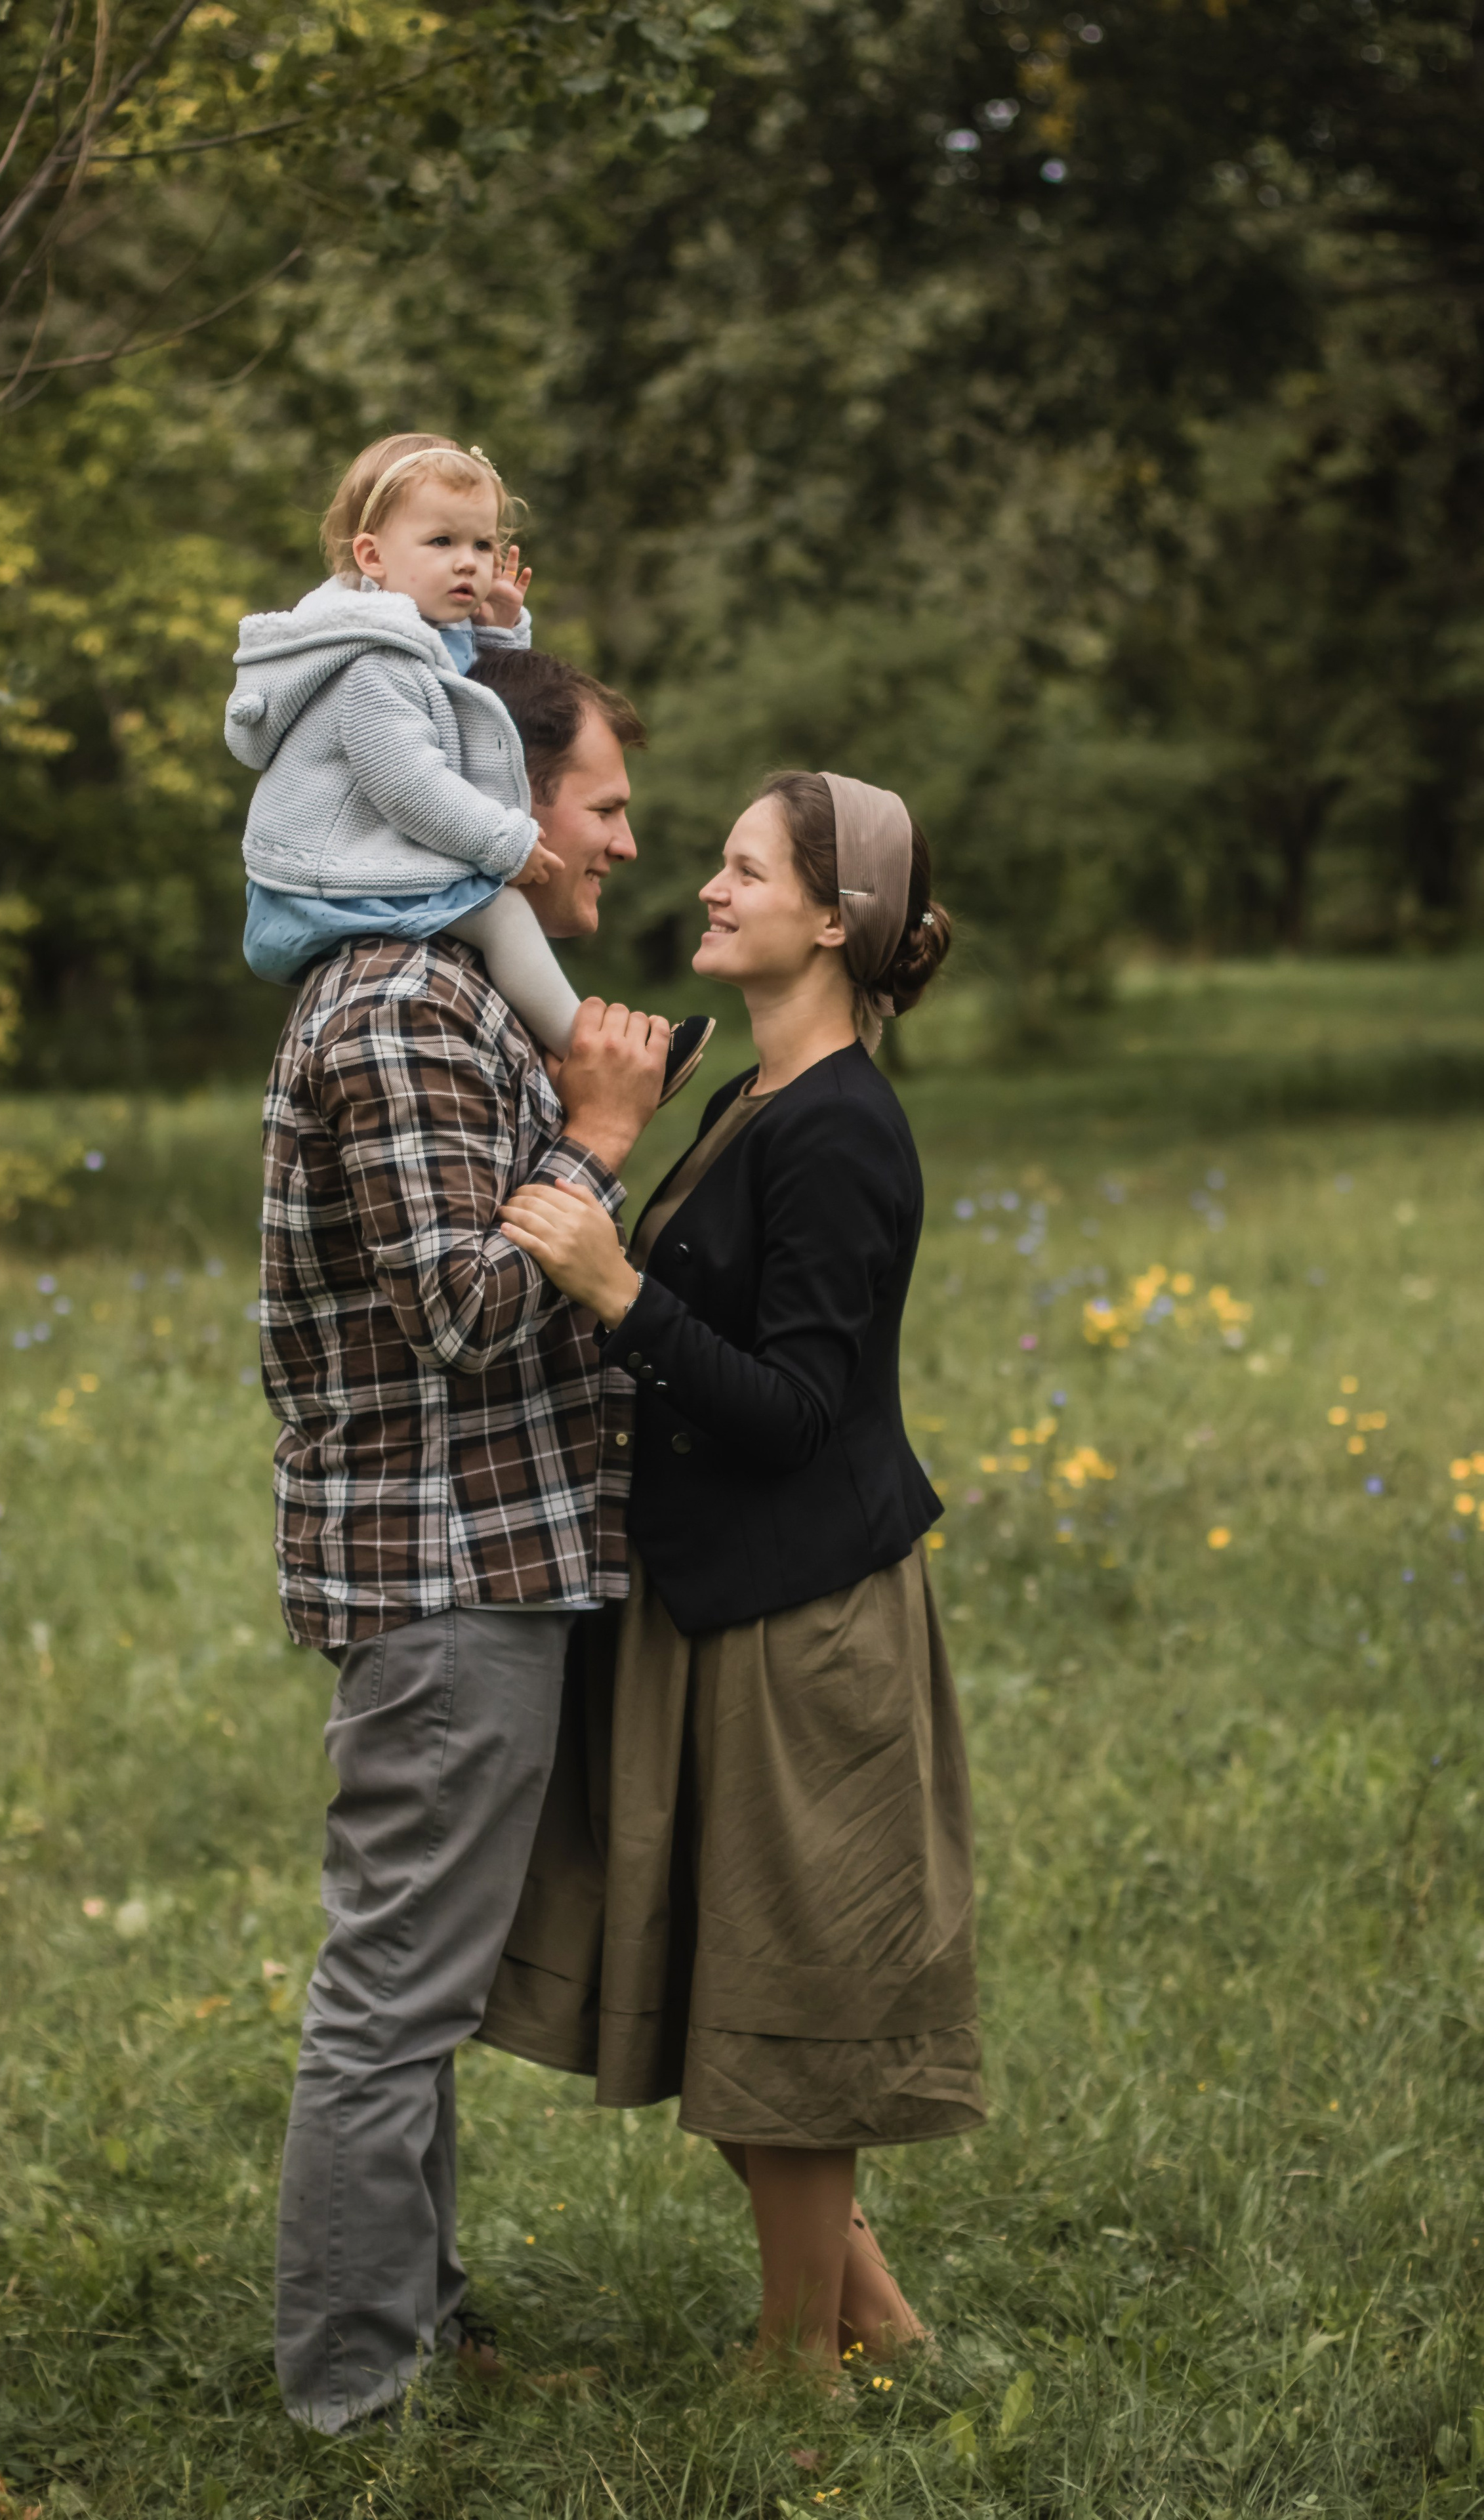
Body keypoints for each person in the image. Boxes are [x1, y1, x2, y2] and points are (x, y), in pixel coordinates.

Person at [491, 769, 987, 2380]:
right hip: (721, 1602)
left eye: (740, 867)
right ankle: (879, 2329)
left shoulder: (838, 1129)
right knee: (737, 1972)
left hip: (805, 1617)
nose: (704, 887)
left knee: (784, 1993)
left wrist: (616, 1286)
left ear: (828, 919)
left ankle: (791, 2364)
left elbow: (795, 1410)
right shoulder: (753, 1098)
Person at [260, 648, 669, 2433]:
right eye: (603, 808)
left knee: (413, 1991)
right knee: (391, 1997)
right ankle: (352, 2398)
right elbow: (457, 1310)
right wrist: (594, 1143)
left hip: (481, 1559)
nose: (623, 845)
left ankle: (411, 2332)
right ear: (494, 804)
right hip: (440, 1577)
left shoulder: (453, 991)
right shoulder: (406, 1008)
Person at [226, 430, 710, 1098]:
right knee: (498, 907)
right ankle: (587, 1053)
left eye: (483, 545)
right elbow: (410, 783)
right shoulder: (372, 663)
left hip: (363, 862)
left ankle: (549, 1057)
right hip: (327, 874)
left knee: (494, 911)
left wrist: (497, 635)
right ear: (372, 556)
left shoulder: (410, 636)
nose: (469, 564)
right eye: (442, 543)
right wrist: (507, 844)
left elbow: (470, 707)